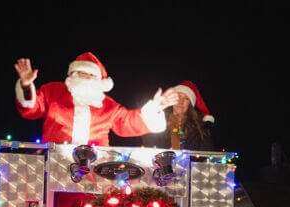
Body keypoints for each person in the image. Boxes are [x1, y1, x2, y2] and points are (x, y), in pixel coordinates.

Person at [13, 53, 176, 146]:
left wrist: (156, 107)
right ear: (71, 75)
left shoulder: (107, 105)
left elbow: (129, 122)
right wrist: (27, 86)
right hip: (55, 165)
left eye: (89, 75)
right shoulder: (54, 92)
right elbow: (31, 108)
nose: (83, 78)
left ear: (98, 81)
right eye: (79, 74)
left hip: (95, 173)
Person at [166, 81, 215, 151]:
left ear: (190, 105)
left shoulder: (199, 129)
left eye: (186, 99)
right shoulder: (159, 122)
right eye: (178, 96)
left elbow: (207, 154)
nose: (181, 101)